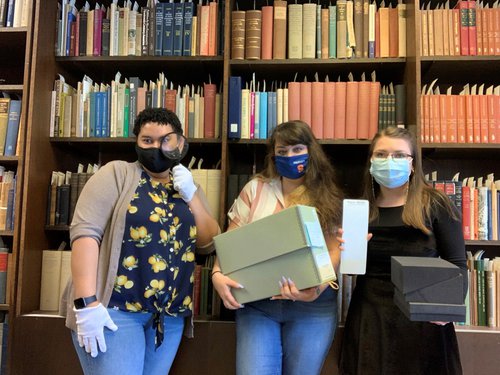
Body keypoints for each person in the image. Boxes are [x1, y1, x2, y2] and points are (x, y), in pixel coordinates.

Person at [60, 108, 220, 375]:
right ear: (136, 142)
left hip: (168, 318)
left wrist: (192, 195)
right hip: (115, 311)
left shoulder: (187, 186)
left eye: (165, 140)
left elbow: (208, 242)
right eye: (147, 140)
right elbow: (85, 234)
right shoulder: (116, 174)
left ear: (180, 143)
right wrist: (86, 303)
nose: (156, 147)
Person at [211, 120, 344, 375]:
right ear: (273, 156)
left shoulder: (329, 195)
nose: (289, 157)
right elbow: (232, 241)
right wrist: (217, 273)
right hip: (259, 304)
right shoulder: (255, 188)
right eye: (282, 152)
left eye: (296, 149)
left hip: (312, 307)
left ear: (310, 151)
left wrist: (316, 289)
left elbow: (334, 251)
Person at [339, 127, 468, 375]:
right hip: (370, 317)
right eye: (381, 154)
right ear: (370, 162)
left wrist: (450, 309)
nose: (389, 162)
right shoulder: (359, 208)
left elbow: (458, 263)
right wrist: (346, 252)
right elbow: (351, 272)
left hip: (424, 318)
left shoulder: (435, 203)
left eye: (399, 155)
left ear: (412, 163)